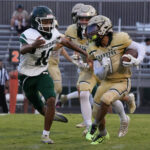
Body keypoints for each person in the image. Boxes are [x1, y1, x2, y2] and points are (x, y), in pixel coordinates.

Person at [18, 6, 89, 144]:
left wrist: (84, 53)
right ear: (36, 22)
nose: (48, 25)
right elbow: (22, 50)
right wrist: (33, 46)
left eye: (50, 21)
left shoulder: (53, 32)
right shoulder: (28, 34)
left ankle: (46, 135)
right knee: (40, 107)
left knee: (51, 99)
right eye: (45, 22)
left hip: (43, 72)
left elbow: (66, 42)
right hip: (26, 75)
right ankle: (49, 113)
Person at [85, 15, 145, 144]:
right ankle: (102, 134)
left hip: (122, 80)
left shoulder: (120, 38)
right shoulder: (92, 47)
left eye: (93, 28)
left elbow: (140, 47)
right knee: (96, 112)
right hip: (106, 81)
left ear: (104, 28)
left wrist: (136, 60)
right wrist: (104, 69)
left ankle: (93, 127)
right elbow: (98, 74)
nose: (90, 32)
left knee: (106, 99)